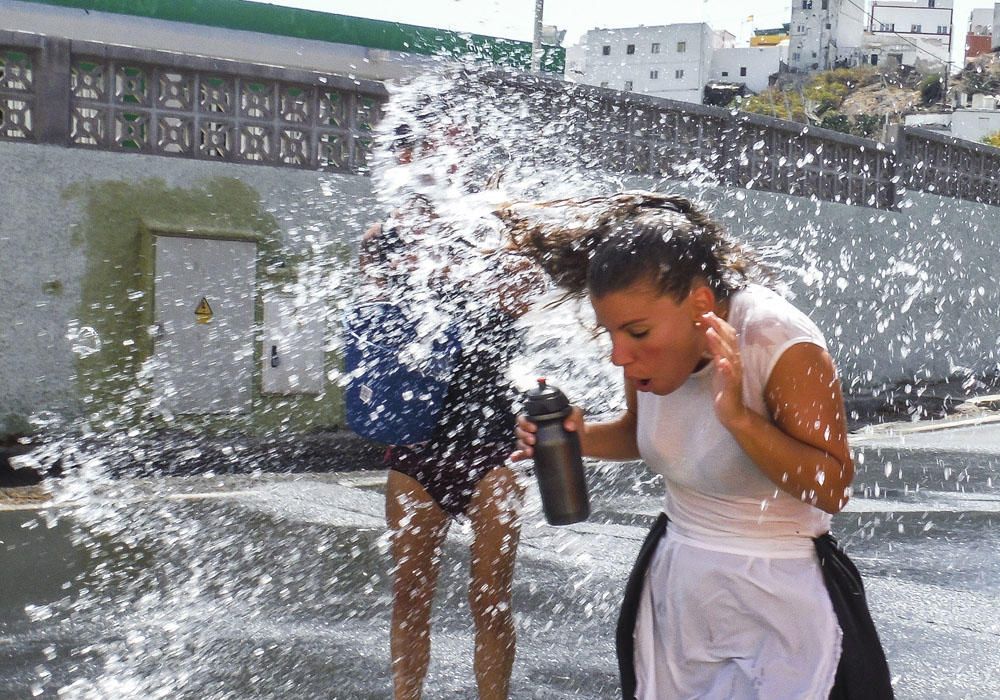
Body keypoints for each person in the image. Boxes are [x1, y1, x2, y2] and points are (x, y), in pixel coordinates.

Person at [501, 192, 893, 699]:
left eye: (637, 332)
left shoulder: (780, 343)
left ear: (701, 306)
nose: (621, 354)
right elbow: (646, 436)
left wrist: (737, 417)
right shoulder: (650, 351)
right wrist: (579, 437)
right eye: (611, 333)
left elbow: (832, 487)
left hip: (783, 596)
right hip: (677, 584)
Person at [359, 114, 542, 700]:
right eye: (417, 157)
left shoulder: (496, 235)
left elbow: (529, 293)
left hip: (492, 451)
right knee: (410, 598)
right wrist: (418, 268)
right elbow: (375, 318)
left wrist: (497, 262)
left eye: (443, 156)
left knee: (491, 598)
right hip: (415, 453)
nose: (433, 168)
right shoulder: (384, 240)